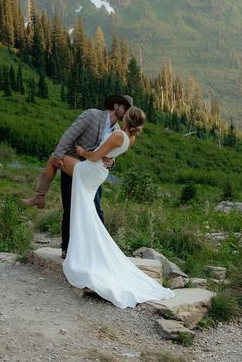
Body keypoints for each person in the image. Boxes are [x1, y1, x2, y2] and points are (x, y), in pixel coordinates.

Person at [62, 106, 175, 308]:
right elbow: (109, 155)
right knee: (87, 212)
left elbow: (96, 156)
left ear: (127, 118)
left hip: (91, 169)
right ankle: (82, 246)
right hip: (99, 172)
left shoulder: (119, 135)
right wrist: (109, 158)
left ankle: (79, 248)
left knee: (61, 160)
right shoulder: (130, 138)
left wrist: (80, 151)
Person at [22, 94, 133, 258]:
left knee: (95, 209)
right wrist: (59, 155)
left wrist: (112, 162)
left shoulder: (117, 131)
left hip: (91, 172)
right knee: (69, 208)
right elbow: (70, 134)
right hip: (72, 166)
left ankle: (97, 250)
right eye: (125, 108)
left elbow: (109, 153)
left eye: (129, 111)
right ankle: (67, 248)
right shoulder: (92, 115)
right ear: (116, 106)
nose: (126, 113)